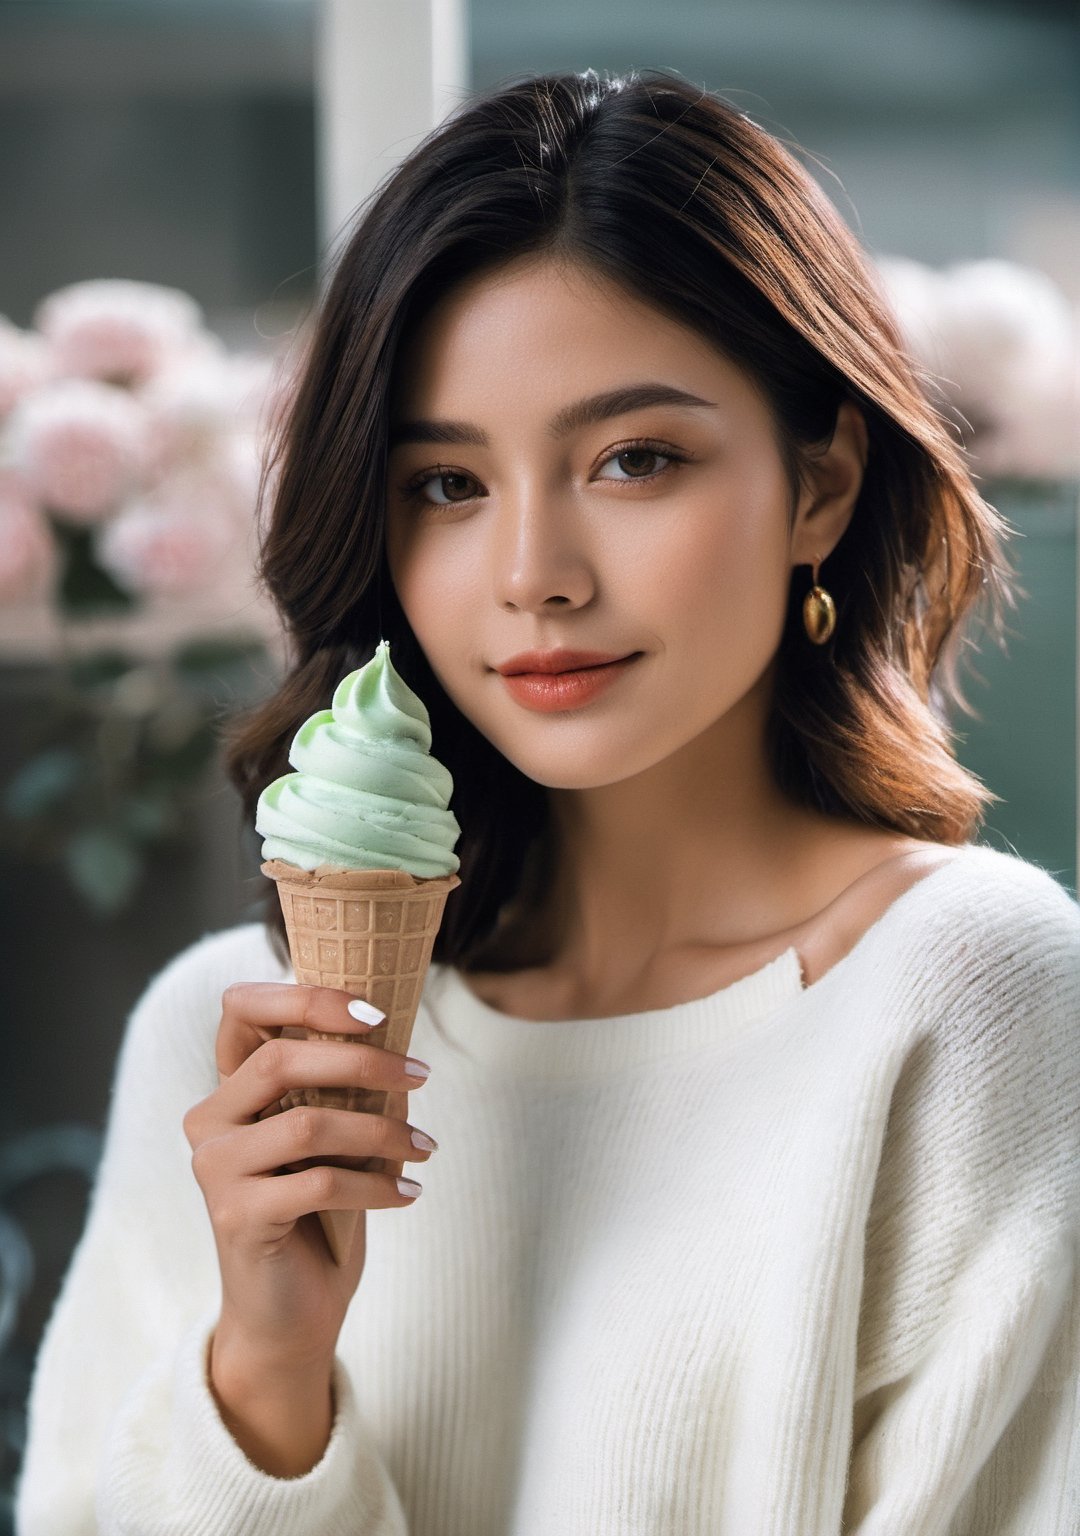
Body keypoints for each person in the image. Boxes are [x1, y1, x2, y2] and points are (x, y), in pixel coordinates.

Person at [16, 69, 1079, 1535]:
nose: (534, 573)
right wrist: (264, 1376)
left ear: (821, 486)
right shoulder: (225, 1052)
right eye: (447, 484)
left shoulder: (967, 998)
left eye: (636, 460)